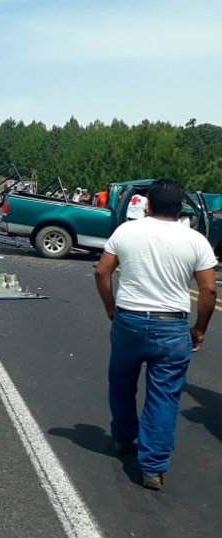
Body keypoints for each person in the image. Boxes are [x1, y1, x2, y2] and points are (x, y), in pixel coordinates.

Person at [93, 178, 217, 491]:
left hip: (129, 321)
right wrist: (199, 329)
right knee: (164, 396)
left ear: (147, 205)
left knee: (121, 384)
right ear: (180, 208)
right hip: (172, 326)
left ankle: (123, 438)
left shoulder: (126, 232)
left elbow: (102, 271)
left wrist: (110, 307)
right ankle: (153, 468)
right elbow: (208, 289)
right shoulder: (196, 240)